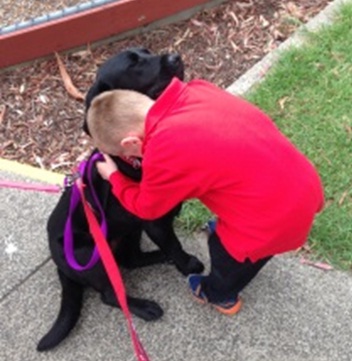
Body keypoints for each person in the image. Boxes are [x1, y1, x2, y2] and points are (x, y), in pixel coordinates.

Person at [86, 78, 324, 315]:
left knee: (227, 255)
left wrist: (114, 177)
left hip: (272, 223)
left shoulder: (164, 150)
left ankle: (220, 296)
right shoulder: (196, 90)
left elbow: (147, 208)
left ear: (131, 141)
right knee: (240, 229)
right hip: (301, 186)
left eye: (127, 153)